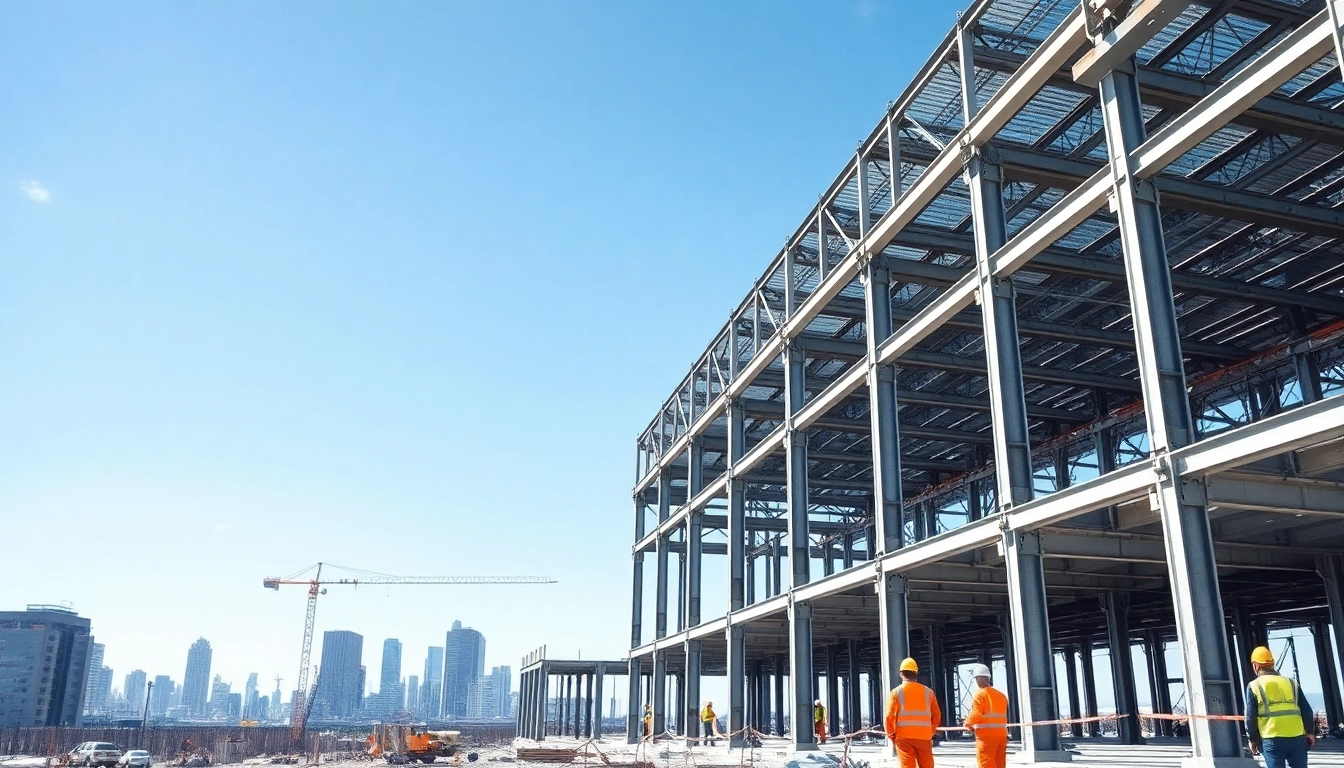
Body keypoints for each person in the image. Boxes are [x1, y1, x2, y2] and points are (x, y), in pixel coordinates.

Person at [1245, 646, 1315, 768]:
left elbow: (1250, 717)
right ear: (1272, 664)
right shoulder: (1291, 683)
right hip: (1296, 737)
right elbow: (1307, 711)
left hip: (1271, 740)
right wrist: (1309, 732)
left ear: (1256, 666)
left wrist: (1253, 739)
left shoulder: (1254, 686)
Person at [884, 657, 941, 768]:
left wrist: (891, 736)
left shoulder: (896, 692)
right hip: (924, 737)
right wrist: (931, 730)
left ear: (901, 674)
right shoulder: (928, 692)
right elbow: (937, 715)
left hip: (904, 738)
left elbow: (889, 716)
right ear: (916, 674)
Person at [964, 663, 1009, 768]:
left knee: (986, 763)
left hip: (987, 736)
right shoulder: (1001, 695)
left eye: (975, 679)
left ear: (979, 678)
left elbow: (976, 714)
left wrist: (967, 724)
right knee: (1000, 763)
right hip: (1002, 735)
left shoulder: (980, 694)